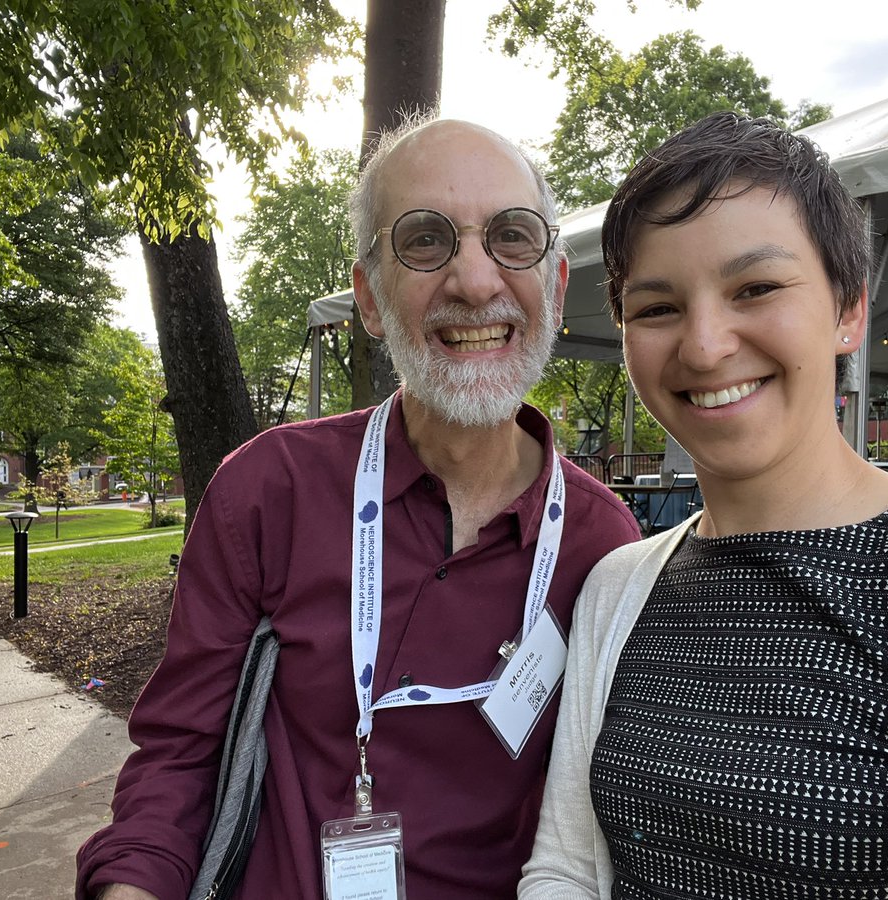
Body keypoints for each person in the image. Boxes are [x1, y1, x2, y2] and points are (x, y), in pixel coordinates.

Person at [76, 116, 642, 900]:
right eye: (424, 240)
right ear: (371, 298)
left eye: (512, 237)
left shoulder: (605, 547)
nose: (475, 281)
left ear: (553, 284)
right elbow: (178, 757)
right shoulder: (270, 491)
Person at [520, 112, 888, 898]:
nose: (705, 346)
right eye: (659, 307)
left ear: (849, 310)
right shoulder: (615, 591)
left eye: (756, 288)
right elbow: (566, 869)